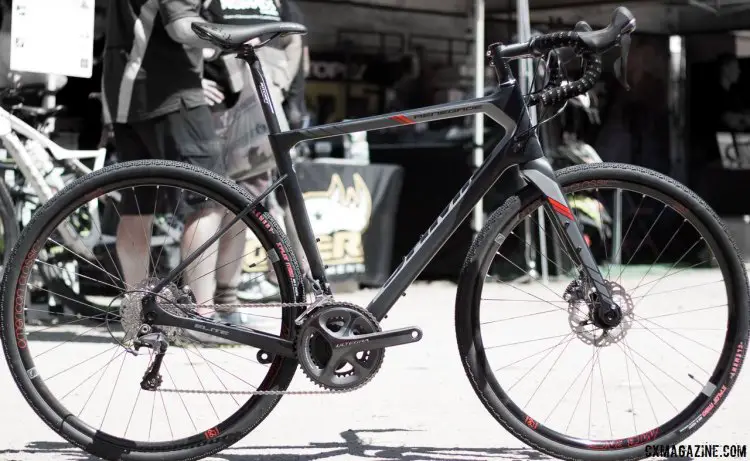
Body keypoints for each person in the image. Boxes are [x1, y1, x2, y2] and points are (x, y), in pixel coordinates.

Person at [102, 0, 227, 315]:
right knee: (207, 203)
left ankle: (137, 313)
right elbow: (180, 26)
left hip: (126, 96)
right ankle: (203, 314)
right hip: (171, 95)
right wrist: (235, 36)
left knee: (137, 207)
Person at [198, 0, 310, 329]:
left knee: (244, 206)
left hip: (261, 109)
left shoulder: (281, 2)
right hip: (218, 111)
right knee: (208, 204)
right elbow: (183, 35)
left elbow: (295, 43)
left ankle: (227, 299)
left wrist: (279, 85)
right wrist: (191, 83)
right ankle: (201, 305)